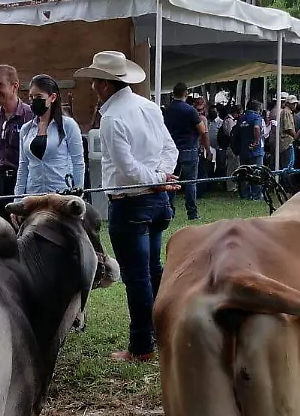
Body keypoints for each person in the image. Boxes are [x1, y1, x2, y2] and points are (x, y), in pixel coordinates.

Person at [76, 51, 178, 362]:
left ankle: (141, 346)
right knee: (153, 270)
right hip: (156, 200)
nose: (93, 87)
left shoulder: (112, 119)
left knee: (138, 277)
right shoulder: (149, 107)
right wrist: (161, 177)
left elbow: (128, 169)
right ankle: (163, 332)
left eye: (95, 81)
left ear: (105, 85)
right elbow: (170, 150)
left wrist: (157, 178)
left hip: (130, 204)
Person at [14, 74, 85, 197]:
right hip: (33, 195)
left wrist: (78, 191)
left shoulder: (68, 125)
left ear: (52, 97)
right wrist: (17, 198)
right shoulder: (26, 129)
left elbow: (78, 162)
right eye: (31, 97)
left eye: (39, 97)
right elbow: (23, 167)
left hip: (61, 194)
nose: (34, 101)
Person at [0, 64, 34, 222]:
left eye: (0, 85)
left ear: (14, 86)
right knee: (0, 231)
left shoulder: (31, 116)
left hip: (24, 182)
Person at [164, 82, 209, 220]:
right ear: (186, 93)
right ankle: (192, 213)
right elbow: (202, 130)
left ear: (173, 93)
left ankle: (169, 211)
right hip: (189, 148)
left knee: (171, 182)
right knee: (190, 183)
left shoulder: (168, 110)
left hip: (172, 150)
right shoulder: (190, 110)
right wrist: (206, 147)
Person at [236, 100, 265, 200]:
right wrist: (256, 141)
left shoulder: (241, 118)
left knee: (244, 173)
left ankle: (245, 195)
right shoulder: (257, 117)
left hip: (243, 150)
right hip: (255, 151)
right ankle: (256, 196)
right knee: (256, 173)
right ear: (258, 109)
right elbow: (256, 128)